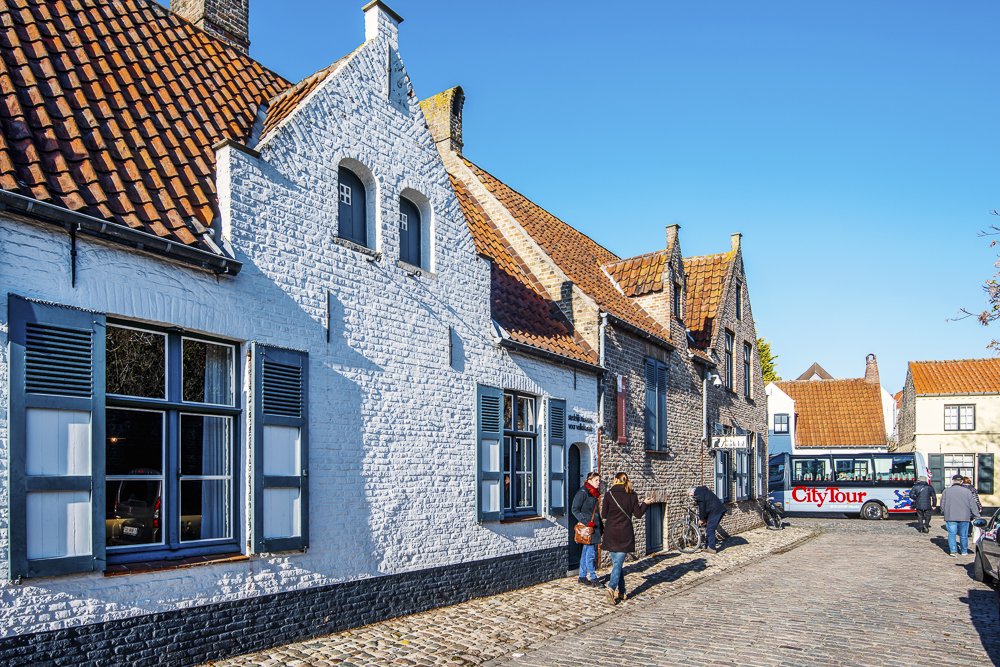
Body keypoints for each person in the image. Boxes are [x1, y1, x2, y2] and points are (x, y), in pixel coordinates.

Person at [600, 472, 654, 605]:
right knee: (618, 564)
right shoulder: (632, 495)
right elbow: (638, 514)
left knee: (617, 564)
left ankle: (622, 591)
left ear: (615, 480)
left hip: (611, 533)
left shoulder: (609, 494)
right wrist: (645, 503)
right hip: (625, 533)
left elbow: (604, 514)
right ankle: (612, 589)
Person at [571, 472, 603, 586]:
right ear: (589, 480)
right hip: (588, 528)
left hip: (595, 528)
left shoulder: (594, 493)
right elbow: (574, 509)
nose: (599, 483)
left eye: (599, 480)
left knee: (586, 552)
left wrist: (601, 527)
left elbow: (596, 512)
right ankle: (594, 578)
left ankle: (582, 576)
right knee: (591, 554)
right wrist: (586, 522)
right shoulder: (583, 492)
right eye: (596, 480)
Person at [940, 474, 981, 557]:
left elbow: (942, 504)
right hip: (964, 516)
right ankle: (964, 551)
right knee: (963, 535)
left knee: (952, 534)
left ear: (952, 481)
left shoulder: (946, 491)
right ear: (961, 481)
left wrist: (944, 512)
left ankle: (953, 551)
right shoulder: (967, 491)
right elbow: (972, 505)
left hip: (950, 516)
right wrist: (977, 516)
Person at [689, 485, 727, 553]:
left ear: (691, 492)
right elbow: (706, 504)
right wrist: (705, 518)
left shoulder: (698, 494)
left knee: (710, 529)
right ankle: (708, 545)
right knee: (709, 527)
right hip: (716, 509)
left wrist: (701, 519)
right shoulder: (702, 491)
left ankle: (712, 548)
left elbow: (702, 507)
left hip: (715, 511)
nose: (692, 497)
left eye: (691, 495)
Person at [963, 476, 983, 547]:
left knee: (965, 519)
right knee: (971, 519)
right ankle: (969, 532)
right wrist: (979, 507)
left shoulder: (961, 488)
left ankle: (965, 532)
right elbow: (976, 499)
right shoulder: (972, 488)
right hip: (971, 506)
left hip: (963, 506)